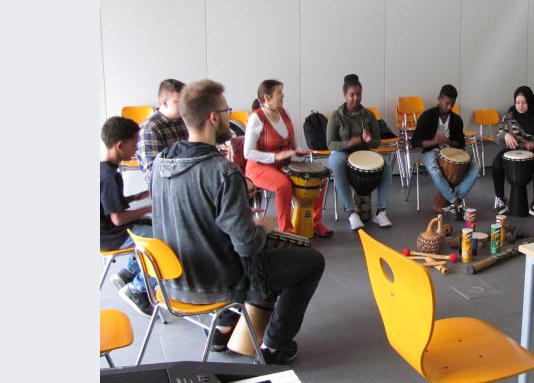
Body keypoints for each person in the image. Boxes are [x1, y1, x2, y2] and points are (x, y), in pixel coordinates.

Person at [150, 80, 325, 364]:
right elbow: (246, 247)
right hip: (218, 281)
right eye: (227, 110)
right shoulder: (223, 172)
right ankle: (274, 345)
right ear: (213, 117)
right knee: (311, 261)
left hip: (173, 282)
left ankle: (221, 332)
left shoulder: (161, 163)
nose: (230, 117)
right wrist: (261, 228)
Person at [244, 79, 332, 237]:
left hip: (283, 166)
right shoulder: (256, 118)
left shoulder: (284, 114)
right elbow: (248, 153)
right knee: (283, 185)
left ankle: (315, 222)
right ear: (267, 97)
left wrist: (297, 151)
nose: (283, 95)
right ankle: (287, 230)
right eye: (279, 93)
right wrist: (275, 156)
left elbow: (291, 145)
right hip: (258, 167)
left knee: (320, 180)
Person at [100, 116, 155, 317]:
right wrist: (148, 207)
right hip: (111, 236)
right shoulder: (110, 177)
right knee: (163, 242)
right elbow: (117, 218)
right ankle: (138, 289)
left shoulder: (104, 169)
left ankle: (128, 273)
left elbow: (109, 204)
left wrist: (136, 197)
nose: (136, 149)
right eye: (134, 144)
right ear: (120, 145)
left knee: (148, 226)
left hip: (107, 231)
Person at [327, 74, 393, 230]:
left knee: (387, 166)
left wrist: (369, 140)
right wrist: (349, 143)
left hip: (363, 153)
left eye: (359, 94)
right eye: (352, 95)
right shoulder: (336, 116)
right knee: (337, 163)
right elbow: (330, 144)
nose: (356, 98)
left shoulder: (369, 116)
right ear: (345, 95)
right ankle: (351, 213)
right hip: (342, 153)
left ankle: (381, 212)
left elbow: (376, 143)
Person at [411, 84, 479, 221]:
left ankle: (455, 199)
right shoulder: (427, 116)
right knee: (434, 169)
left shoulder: (456, 120)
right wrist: (435, 141)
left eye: (452, 104)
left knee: (475, 167)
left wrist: (449, 142)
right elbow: (415, 141)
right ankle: (455, 201)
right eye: (447, 103)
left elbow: (461, 143)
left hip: (450, 151)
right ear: (439, 99)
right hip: (431, 151)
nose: (449, 107)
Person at [492, 86, 534, 216]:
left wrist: (533, 144)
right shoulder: (510, 114)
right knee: (496, 164)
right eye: (517, 102)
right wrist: (505, 135)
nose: (520, 106)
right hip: (511, 150)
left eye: (524, 102)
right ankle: (500, 198)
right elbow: (498, 132)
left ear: (529, 101)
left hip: (532, 151)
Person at [136, 79, 188, 186]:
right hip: (165, 189)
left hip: (185, 182)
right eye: (180, 102)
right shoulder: (150, 128)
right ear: (164, 103)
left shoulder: (184, 121)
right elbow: (152, 173)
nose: (185, 106)